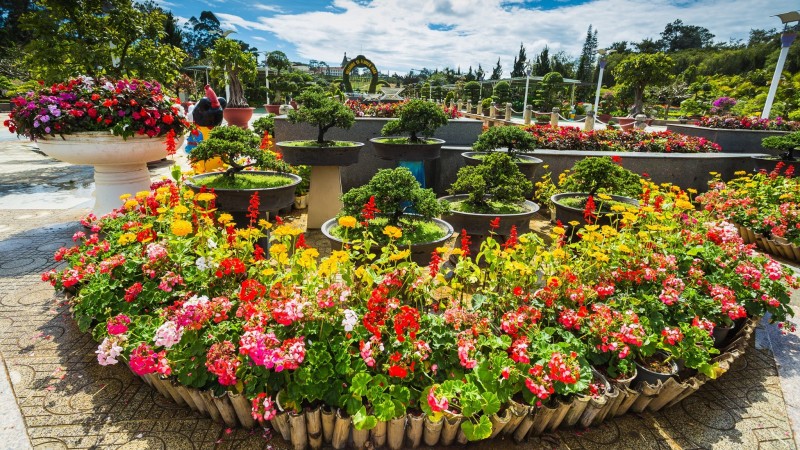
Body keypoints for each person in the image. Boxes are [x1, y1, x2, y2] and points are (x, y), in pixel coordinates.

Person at [185, 85, 227, 172]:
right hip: (201, 166)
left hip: (220, 165)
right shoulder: (197, 132)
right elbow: (190, 148)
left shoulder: (219, 132)